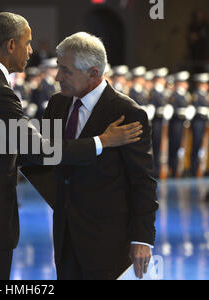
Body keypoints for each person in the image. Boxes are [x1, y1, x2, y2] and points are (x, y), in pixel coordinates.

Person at [0, 12, 144, 280]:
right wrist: (102, 141)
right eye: (27, 43)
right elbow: (38, 150)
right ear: (11, 45)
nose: (31, 50)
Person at [32, 32, 159, 280]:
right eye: (59, 68)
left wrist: (142, 238)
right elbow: (48, 157)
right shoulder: (57, 105)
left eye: (66, 71)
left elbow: (142, 181)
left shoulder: (127, 113)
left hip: (108, 240)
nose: (58, 77)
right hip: (65, 236)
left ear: (93, 74)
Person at [168, 71, 191, 177]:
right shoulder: (175, 94)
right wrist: (182, 111)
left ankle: (179, 168)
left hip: (183, 123)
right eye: (183, 82)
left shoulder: (186, 95)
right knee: (175, 145)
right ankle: (173, 168)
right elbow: (173, 108)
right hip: (176, 122)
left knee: (182, 146)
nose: (186, 84)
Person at [190, 73, 209, 176]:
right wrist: (202, 110)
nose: (207, 85)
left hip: (204, 122)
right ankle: (193, 169)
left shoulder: (206, 95)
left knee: (203, 145)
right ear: (200, 84)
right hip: (198, 122)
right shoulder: (196, 95)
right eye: (204, 83)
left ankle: (201, 168)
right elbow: (195, 108)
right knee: (196, 144)